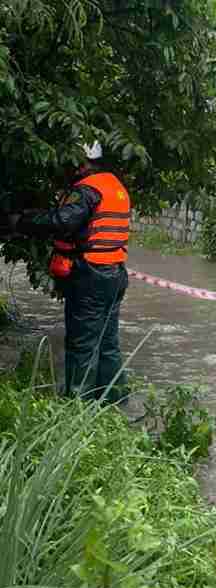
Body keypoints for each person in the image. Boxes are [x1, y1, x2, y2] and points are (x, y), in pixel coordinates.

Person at [16, 141, 131, 400]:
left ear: (81, 162)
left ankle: (77, 407)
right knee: (107, 342)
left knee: (82, 344)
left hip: (90, 275)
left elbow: (63, 221)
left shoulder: (88, 189)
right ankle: (115, 401)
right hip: (114, 274)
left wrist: (22, 221)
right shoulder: (115, 185)